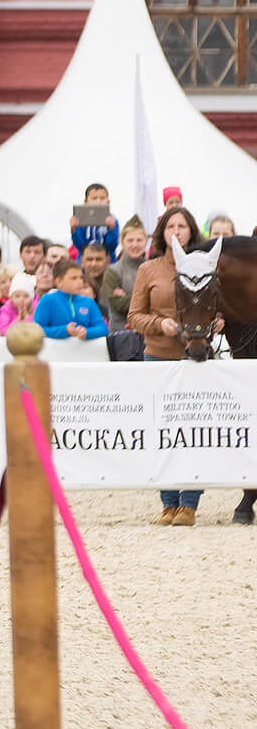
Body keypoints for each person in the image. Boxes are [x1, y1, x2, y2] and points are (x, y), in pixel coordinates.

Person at [128, 205, 213, 525]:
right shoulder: (148, 270)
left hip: (196, 357)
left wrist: (216, 320)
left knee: (194, 430)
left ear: (191, 231)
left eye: (182, 226)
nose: (176, 231)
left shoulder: (205, 264)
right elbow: (134, 315)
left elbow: (216, 304)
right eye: (170, 226)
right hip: (158, 355)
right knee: (161, 431)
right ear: (162, 233)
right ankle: (168, 502)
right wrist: (159, 325)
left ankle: (189, 503)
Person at [34, 259, 107, 342]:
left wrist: (86, 332)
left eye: (81, 278)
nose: (80, 282)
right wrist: (64, 331)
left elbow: (103, 329)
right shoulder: (47, 300)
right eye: (74, 278)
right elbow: (37, 330)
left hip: (84, 353)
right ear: (59, 281)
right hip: (55, 353)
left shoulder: (88, 302)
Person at [69, 183, 120, 261]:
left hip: (108, 261)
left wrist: (111, 230)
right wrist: (74, 230)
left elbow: (112, 246)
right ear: (86, 201)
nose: (98, 201)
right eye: (94, 198)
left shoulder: (113, 220)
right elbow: (79, 245)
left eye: (102, 198)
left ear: (108, 201)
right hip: (84, 261)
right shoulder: (79, 220)